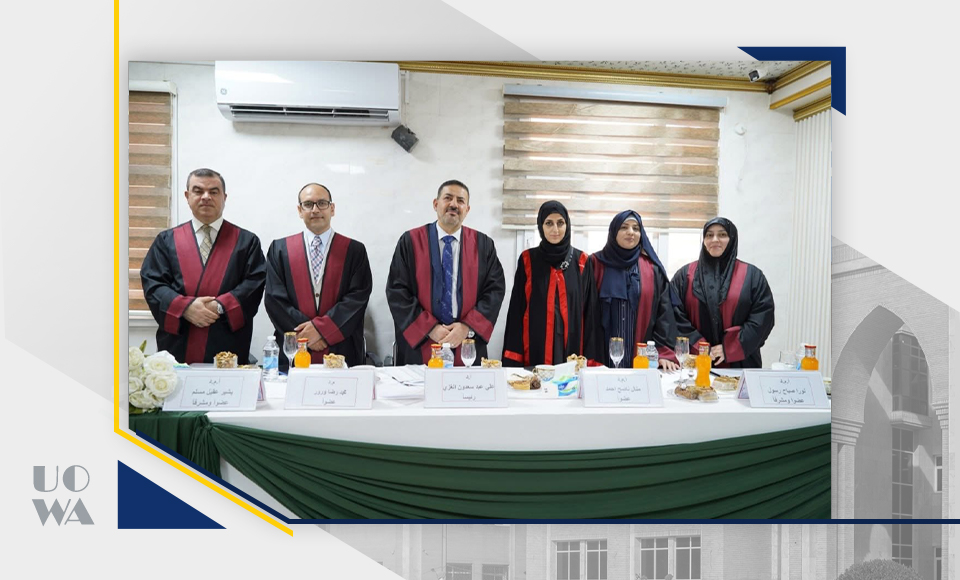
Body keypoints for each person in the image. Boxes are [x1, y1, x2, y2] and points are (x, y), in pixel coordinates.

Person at [140, 168, 266, 364]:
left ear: (224, 197)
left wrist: (220, 306)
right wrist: (185, 308)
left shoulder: (246, 242)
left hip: (227, 342)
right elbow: (153, 284)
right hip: (179, 343)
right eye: (198, 191)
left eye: (213, 192)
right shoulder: (166, 241)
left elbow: (254, 284)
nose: (206, 197)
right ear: (187, 196)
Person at [386, 180, 505, 364]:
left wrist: (467, 327)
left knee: (468, 383)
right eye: (448, 198)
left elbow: (494, 291)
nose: (454, 204)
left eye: (460, 201)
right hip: (422, 342)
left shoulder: (483, 245)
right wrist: (430, 328)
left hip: (467, 343)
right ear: (436, 204)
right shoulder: (410, 241)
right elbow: (397, 291)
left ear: (467, 209)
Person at [264, 183, 373, 369]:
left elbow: (357, 299)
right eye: (308, 204)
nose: (315, 210)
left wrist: (323, 331)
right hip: (294, 351)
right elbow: (275, 300)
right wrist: (308, 335)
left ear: (332, 209)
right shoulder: (280, 250)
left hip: (341, 349)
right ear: (300, 210)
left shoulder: (354, 251)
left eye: (322, 203)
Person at [502, 201, 602, 366]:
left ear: (567, 225)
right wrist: (514, 359)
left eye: (560, 223)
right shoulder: (528, 260)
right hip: (535, 347)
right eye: (549, 223)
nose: (555, 229)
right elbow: (517, 310)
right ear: (541, 226)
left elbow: (590, 314)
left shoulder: (582, 261)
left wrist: (591, 360)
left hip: (572, 347)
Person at [670, 217, 775, 368]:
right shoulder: (684, 276)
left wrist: (730, 348)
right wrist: (700, 346)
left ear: (732, 238)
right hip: (695, 363)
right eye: (709, 235)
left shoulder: (752, 276)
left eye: (722, 234)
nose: (715, 239)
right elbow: (673, 315)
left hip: (741, 364)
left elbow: (763, 318)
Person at [590, 210, 680, 370]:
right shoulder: (595, 263)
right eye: (624, 227)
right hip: (600, 355)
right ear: (613, 232)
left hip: (642, 358)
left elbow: (664, 314)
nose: (630, 232)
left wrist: (663, 353)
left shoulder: (652, 269)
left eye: (636, 228)